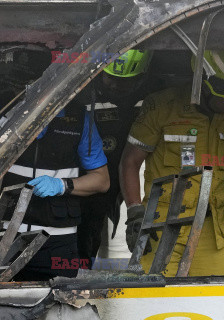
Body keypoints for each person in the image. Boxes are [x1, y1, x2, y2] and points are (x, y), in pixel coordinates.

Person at [120, 50, 224, 276]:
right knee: (152, 300)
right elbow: (130, 162)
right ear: (203, 85)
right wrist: (135, 212)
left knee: (219, 302)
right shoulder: (162, 106)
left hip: (214, 231)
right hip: (161, 228)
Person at [1, 101, 109, 281]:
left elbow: (102, 180)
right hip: (7, 238)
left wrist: (61, 185)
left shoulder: (80, 120)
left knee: (59, 304)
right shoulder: (7, 117)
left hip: (58, 242)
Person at [77, 49, 152, 268]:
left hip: (137, 184)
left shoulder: (152, 95)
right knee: (86, 241)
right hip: (91, 184)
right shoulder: (83, 95)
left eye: (124, 82)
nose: (115, 86)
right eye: (110, 78)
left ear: (141, 77)